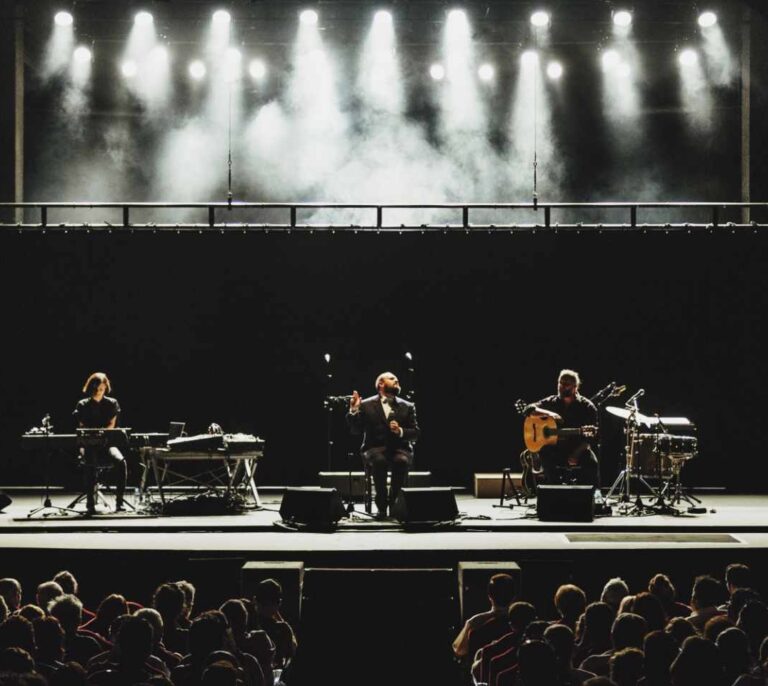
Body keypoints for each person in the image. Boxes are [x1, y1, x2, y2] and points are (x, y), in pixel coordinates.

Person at [347, 371, 420, 519]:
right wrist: (354, 410)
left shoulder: (407, 406)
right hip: (374, 448)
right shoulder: (366, 404)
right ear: (381, 383)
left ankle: (394, 503)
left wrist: (400, 431)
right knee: (380, 461)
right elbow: (355, 430)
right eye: (392, 379)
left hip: (400, 448)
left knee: (400, 461)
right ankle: (381, 505)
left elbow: (415, 433)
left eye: (397, 379)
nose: (396, 381)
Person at [525, 369, 600, 490]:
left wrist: (576, 454)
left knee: (592, 464)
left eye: (566, 384)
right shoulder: (551, 402)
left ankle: (593, 496)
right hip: (555, 449)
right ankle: (554, 493)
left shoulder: (587, 406)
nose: (561, 386)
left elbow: (590, 438)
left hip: (577, 448)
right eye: (560, 382)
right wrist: (550, 414)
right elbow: (528, 409)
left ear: (575, 387)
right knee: (545, 454)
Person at [73, 372, 127, 513]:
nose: (98, 392)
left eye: (101, 389)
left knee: (121, 462)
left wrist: (102, 434)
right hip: (89, 444)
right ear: (90, 388)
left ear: (105, 388)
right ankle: (90, 504)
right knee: (90, 464)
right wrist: (88, 441)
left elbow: (111, 425)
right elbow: (82, 428)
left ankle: (119, 503)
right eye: (95, 389)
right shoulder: (82, 404)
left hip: (107, 443)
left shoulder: (112, 403)